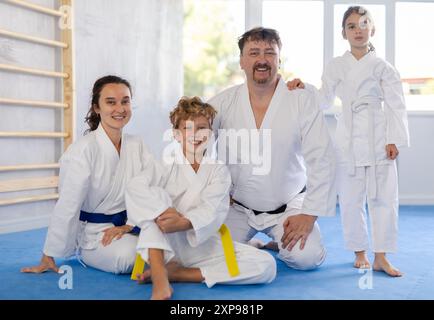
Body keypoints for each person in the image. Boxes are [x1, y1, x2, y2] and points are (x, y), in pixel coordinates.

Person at [287, 6, 410, 276]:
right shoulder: (336, 65)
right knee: (352, 199)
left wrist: (394, 139)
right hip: (348, 138)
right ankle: (359, 252)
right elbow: (324, 99)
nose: (358, 29)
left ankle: (381, 256)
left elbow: (395, 105)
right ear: (344, 33)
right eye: (351, 25)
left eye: (363, 24)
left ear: (372, 30)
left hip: (379, 136)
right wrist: (303, 88)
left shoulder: (383, 67)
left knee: (384, 197)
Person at [208, 27, 337, 271]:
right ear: (242, 61)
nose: (262, 59)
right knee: (209, 254)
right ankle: (255, 244)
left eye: (270, 52)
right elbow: (195, 146)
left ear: (279, 60)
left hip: (288, 208)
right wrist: (211, 191)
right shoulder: (223, 102)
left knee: (306, 258)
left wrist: (309, 214)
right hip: (237, 207)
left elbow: (323, 159)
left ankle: (277, 241)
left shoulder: (300, 99)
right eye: (254, 52)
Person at [125, 97, 276, 300]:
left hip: (203, 244)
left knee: (266, 265)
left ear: (211, 132)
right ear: (176, 134)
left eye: (202, 128)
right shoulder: (162, 164)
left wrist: (184, 221)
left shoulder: (218, 170)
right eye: (188, 128)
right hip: (165, 245)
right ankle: (161, 277)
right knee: (155, 201)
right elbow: (135, 188)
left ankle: (180, 274)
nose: (195, 135)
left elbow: (213, 208)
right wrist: (164, 212)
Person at [21, 75, 154, 274]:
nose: (120, 109)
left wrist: (131, 225)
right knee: (128, 258)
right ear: (97, 108)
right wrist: (49, 254)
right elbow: (68, 204)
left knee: (179, 241)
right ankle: (90, 252)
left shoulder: (137, 144)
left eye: (125, 101)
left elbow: (153, 187)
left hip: (131, 226)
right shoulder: (83, 150)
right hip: (97, 235)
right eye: (111, 102)